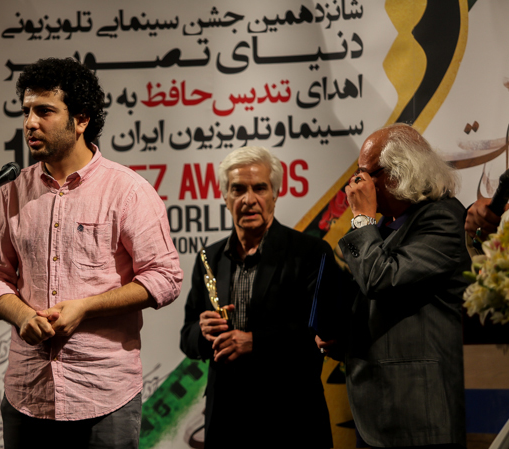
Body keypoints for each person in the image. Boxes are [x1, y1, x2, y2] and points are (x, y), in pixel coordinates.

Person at [0, 58, 182, 449]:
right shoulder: (11, 193)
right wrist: (21, 315)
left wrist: (85, 308)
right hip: (27, 393)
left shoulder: (128, 191)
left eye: (44, 111)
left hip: (103, 394)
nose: (30, 123)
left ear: (81, 119)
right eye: (26, 112)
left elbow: (165, 277)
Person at [324, 123, 469, 448]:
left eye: (365, 174)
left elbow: (381, 279)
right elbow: (386, 307)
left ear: (399, 172)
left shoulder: (442, 219)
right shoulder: (386, 226)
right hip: (379, 410)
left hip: (419, 415)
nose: (356, 184)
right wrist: (343, 337)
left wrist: (362, 219)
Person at [180, 146, 334, 448]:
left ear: (275, 194)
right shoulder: (209, 258)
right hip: (226, 422)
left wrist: (255, 342)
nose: (248, 199)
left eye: (259, 188)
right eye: (238, 189)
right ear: (225, 197)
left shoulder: (311, 253)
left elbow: (322, 334)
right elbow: (187, 337)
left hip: (292, 420)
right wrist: (202, 332)